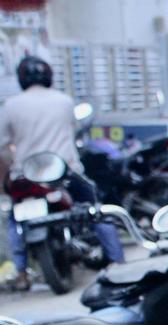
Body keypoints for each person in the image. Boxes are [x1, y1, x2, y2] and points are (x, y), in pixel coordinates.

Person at [1, 56, 123, 291]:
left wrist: (13, 165)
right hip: (63, 171)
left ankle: (21, 271)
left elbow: (2, 145)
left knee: (16, 220)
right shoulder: (64, 101)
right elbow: (74, 130)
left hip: (26, 174)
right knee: (95, 209)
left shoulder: (10, 105)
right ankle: (117, 259)